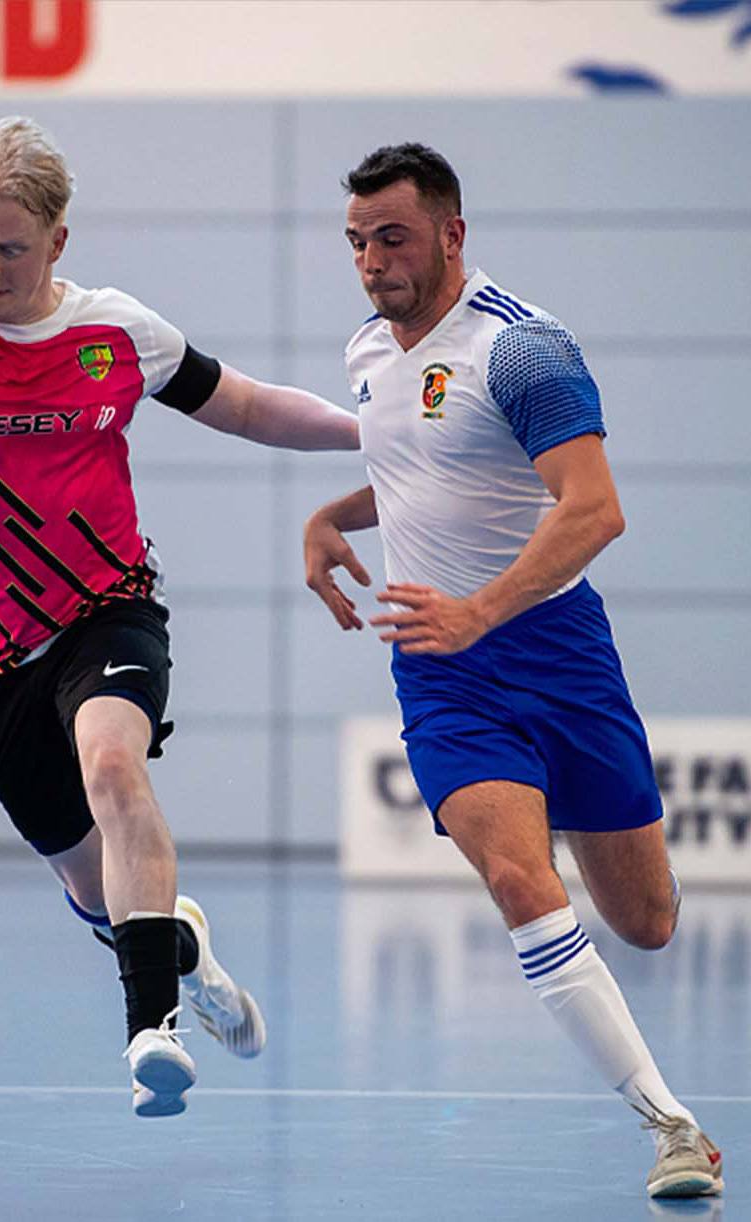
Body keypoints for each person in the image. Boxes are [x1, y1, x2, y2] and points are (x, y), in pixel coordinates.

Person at [0, 116, 360, 1118]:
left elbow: (248, 404)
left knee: (113, 765)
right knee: (98, 890)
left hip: (107, 609)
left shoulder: (115, 332)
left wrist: (379, 438)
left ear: (57, 242)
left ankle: (151, 1027)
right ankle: (176, 947)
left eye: (8, 247)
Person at [303, 142, 722, 1199]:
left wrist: (483, 609)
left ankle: (621, 851)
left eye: (391, 237)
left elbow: (596, 508)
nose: (370, 261)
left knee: (648, 921)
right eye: (356, 241)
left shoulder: (525, 350)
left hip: (556, 652)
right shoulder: (366, 348)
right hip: (443, 672)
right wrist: (328, 513)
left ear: (452, 232)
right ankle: (670, 1124)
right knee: (517, 879)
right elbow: (412, 465)